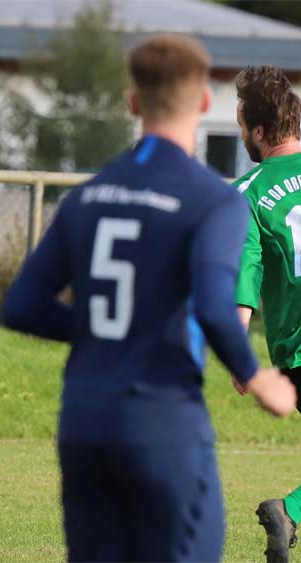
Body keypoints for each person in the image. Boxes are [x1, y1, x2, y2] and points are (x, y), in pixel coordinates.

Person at [2, 35, 295, 562]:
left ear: (133, 103)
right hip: (164, 418)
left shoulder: (89, 195)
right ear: (204, 103)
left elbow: (20, 306)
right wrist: (255, 375)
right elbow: (212, 307)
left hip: (85, 418)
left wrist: (101, 326)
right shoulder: (211, 200)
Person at [233, 65, 301, 563]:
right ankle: (291, 511)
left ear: (258, 132)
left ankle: (291, 513)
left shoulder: (247, 193)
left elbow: (242, 277)